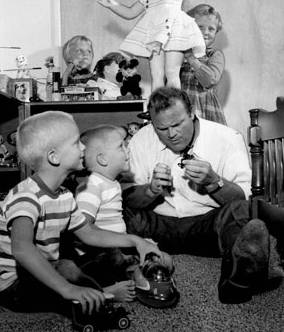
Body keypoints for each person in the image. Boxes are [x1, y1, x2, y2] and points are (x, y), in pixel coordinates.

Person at [0, 111, 167, 315]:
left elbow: (89, 233)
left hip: (49, 268)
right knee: (67, 271)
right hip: (16, 285)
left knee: (100, 256)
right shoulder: (26, 197)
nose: (84, 147)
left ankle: (93, 288)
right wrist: (68, 288)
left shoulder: (65, 195)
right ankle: (101, 293)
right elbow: (22, 249)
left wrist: (137, 241)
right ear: (53, 157)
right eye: (76, 143)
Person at [121, 86, 284, 304]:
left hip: (208, 229)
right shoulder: (142, 138)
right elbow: (128, 196)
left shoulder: (227, 137)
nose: (171, 134)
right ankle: (121, 266)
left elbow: (242, 199)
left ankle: (236, 280)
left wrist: (214, 182)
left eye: (178, 124)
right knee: (117, 207)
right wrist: (150, 190)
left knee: (243, 213)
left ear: (192, 113)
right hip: (158, 228)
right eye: (161, 128)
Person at [75, 124, 173, 301]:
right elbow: (82, 230)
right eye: (121, 146)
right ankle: (107, 291)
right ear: (103, 159)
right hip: (98, 255)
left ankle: (134, 274)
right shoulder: (91, 188)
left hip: (119, 248)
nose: (128, 150)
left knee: (165, 259)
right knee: (114, 257)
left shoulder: (112, 183)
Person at [98, 0, 205, 91]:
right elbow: (130, 12)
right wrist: (112, 5)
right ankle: (156, 106)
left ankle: (174, 106)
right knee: (157, 73)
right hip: (155, 34)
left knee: (172, 72)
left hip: (174, 31)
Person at [180, 4, 227, 125]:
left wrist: (191, 59)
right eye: (200, 27)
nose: (205, 32)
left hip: (206, 109)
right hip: (182, 107)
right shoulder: (179, 53)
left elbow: (209, 80)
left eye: (211, 29)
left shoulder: (215, 55)